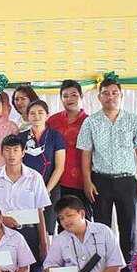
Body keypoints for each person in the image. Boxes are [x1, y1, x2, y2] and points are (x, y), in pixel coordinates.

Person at [77, 78, 137, 272]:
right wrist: (87, 181)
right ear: (99, 97)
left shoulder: (133, 119)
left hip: (127, 181)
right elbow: (85, 154)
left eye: (114, 93)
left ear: (121, 95)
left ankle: (129, 270)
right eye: (106, 93)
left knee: (129, 227)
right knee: (101, 228)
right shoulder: (91, 122)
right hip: (100, 181)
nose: (110, 97)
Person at [30, 195, 128, 272]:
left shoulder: (104, 231)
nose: (65, 221)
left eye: (69, 215)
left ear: (81, 214)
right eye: (61, 218)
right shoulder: (61, 238)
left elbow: (115, 264)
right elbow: (49, 265)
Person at [0, 134, 49, 272]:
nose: (11, 154)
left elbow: (40, 211)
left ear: (23, 152)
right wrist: (2, 219)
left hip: (29, 232)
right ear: (1, 152)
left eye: (16, 150)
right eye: (7, 150)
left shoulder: (35, 177)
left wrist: (43, 242)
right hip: (1, 233)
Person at [17, 99, 66, 235]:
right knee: (28, 227)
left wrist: (46, 190)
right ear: (27, 116)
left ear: (47, 115)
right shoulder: (21, 137)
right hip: (27, 188)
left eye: (40, 112)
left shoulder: (56, 136)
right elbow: (16, 164)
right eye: (32, 113)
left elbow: (60, 167)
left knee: (48, 228)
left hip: (50, 187)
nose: (36, 116)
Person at [48, 79, 94, 219]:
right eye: (65, 96)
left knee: (82, 221)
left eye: (74, 95)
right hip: (57, 181)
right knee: (61, 221)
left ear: (81, 96)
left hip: (82, 181)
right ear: (61, 99)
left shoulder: (90, 121)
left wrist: (89, 181)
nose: (70, 99)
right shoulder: (52, 121)